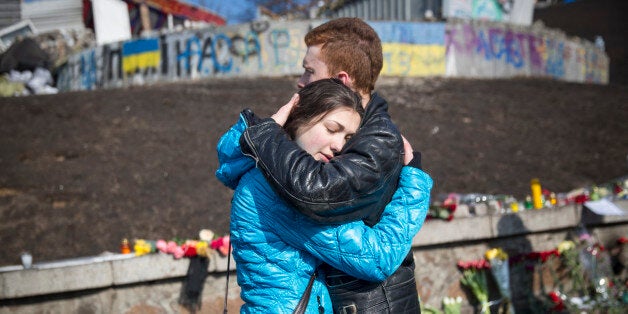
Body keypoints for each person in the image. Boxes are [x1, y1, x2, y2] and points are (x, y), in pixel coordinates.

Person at [235, 18, 424, 312]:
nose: (300, 81)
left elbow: (315, 192)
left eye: (310, 71)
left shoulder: (376, 140)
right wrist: (416, 185)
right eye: (333, 130)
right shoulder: (278, 182)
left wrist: (266, 136)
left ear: (340, 82)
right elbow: (376, 257)